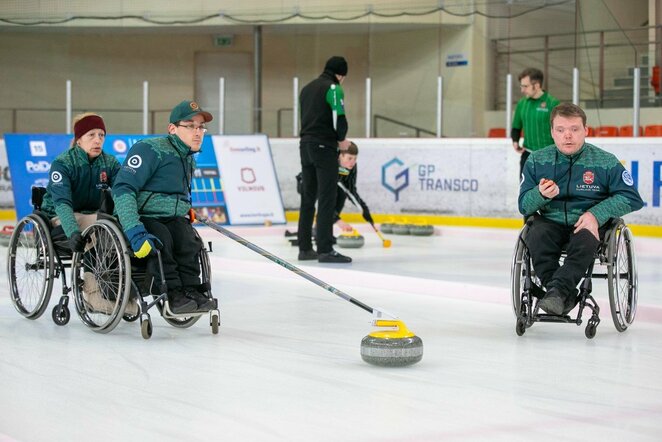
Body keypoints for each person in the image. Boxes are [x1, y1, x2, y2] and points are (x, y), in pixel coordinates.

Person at [518, 103, 644, 316]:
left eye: (574, 129)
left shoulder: (605, 162)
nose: (567, 136)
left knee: (586, 238)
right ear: (552, 132)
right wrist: (540, 195)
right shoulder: (537, 161)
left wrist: (596, 214)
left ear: (586, 130)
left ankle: (556, 294)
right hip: (550, 222)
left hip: (587, 225)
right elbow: (523, 206)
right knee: (535, 233)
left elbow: (632, 198)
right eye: (560, 130)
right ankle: (559, 294)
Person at [112, 100, 215, 315]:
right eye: (191, 126)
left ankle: (192, 289)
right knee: (162, 240)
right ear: (172, 129)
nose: (198, 132)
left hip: (172, 217)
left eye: (201, 127)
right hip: (144, 216)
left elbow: (175, 193)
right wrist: (134, 230)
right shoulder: (149, 149)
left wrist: (184, 208)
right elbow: (122, 189)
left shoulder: (188, 158)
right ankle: (173, 293)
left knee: (189, 241)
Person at [40, 113, 133, 314]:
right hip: (60, 214)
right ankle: (92, 293)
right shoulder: (63, 163)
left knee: (114, 224)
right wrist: (72, 231)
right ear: (79, 138)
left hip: (91, 214)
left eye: (101, 135)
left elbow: (121, 194)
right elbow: (62, 203)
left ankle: (115, 289)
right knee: (98, 226)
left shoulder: (109, 163)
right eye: (91, 135)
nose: (98, 139)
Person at [298, 55, 353, 263]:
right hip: (324, 146)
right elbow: (339, 116)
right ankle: (325, 249)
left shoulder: (306, 88)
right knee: (327, 197)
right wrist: (341, 139)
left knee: (308, 197)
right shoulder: (333, 88)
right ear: (341, 74)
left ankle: (304, 248)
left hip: (305, 145)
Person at [511, 67, 560, 176]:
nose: (522, 90)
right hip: (528, 155)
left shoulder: (553, 103)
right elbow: (516, 126)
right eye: (521, 86)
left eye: (525, 86)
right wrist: (515, 141)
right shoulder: (522, 103)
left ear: (537, 85)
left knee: (549, 191)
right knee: (526, 191)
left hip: (550, 156)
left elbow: (561, 129)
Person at [334, 141, 373, 232]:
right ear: (340, 156)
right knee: (329, 199)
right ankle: (312, 233)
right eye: (350, 158)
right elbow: (325, 201)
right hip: (310, 183)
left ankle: (322, 233)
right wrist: (338, 220)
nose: (353, 162)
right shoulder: (330, 163)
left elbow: (350, 190)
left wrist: (364, 209)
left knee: (342, 194)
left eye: (355, 159)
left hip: (332, 184)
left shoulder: (351, 167)